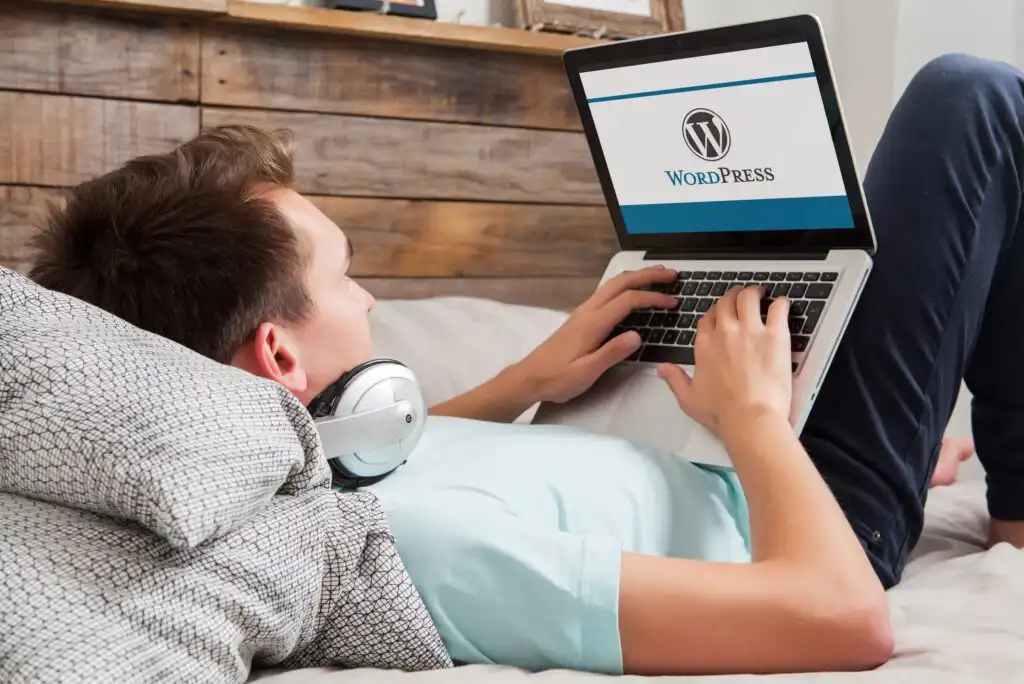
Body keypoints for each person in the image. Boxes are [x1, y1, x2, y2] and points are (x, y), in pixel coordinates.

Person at [25, 53, 1024, 676]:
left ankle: (945, 447)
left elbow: (389, 459)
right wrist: (759, 421)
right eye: (348, 277)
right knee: (969, 101)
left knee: (871, 227)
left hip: (719, 436)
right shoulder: (418, 547)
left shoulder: (297, 470)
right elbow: (841, 620)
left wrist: (531, 380)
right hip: (802, 512)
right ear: (279, 352)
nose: (371, 302)